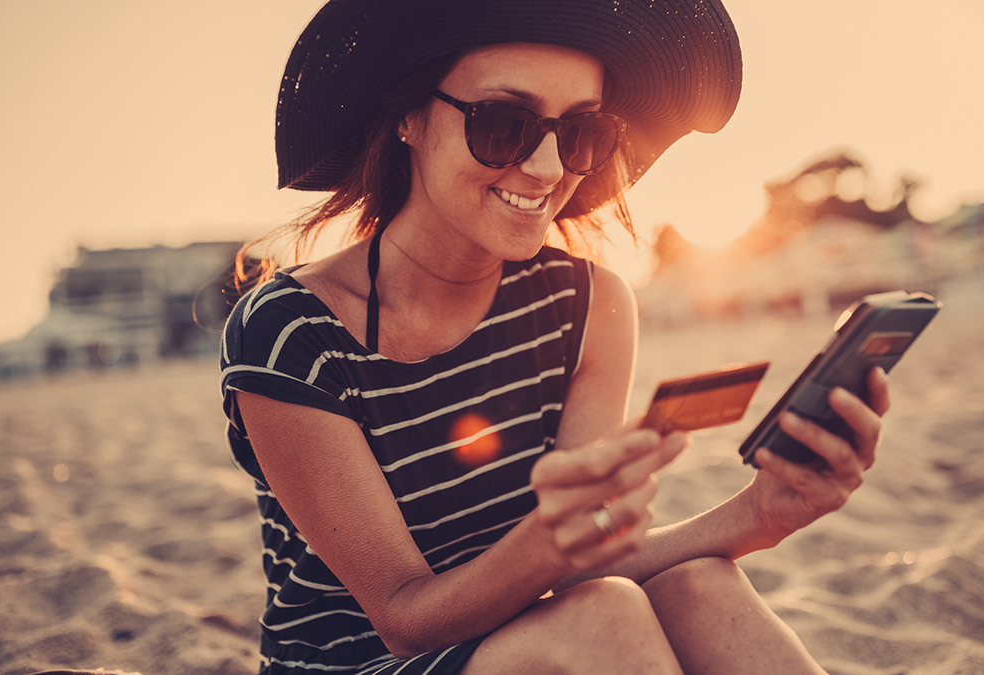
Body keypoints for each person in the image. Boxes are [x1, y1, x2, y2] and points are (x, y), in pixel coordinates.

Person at [219, 1, 890, 674]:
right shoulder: (291, 330)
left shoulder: (588, 306)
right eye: (503, 124)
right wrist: (550, 542)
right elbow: (401, 617)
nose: (547, 168)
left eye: (580, 131)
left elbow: (588, 559)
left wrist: (762, 514)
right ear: (408, 117)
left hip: (529, 636)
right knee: (603, 617)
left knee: (697, 583)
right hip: (364, 661)